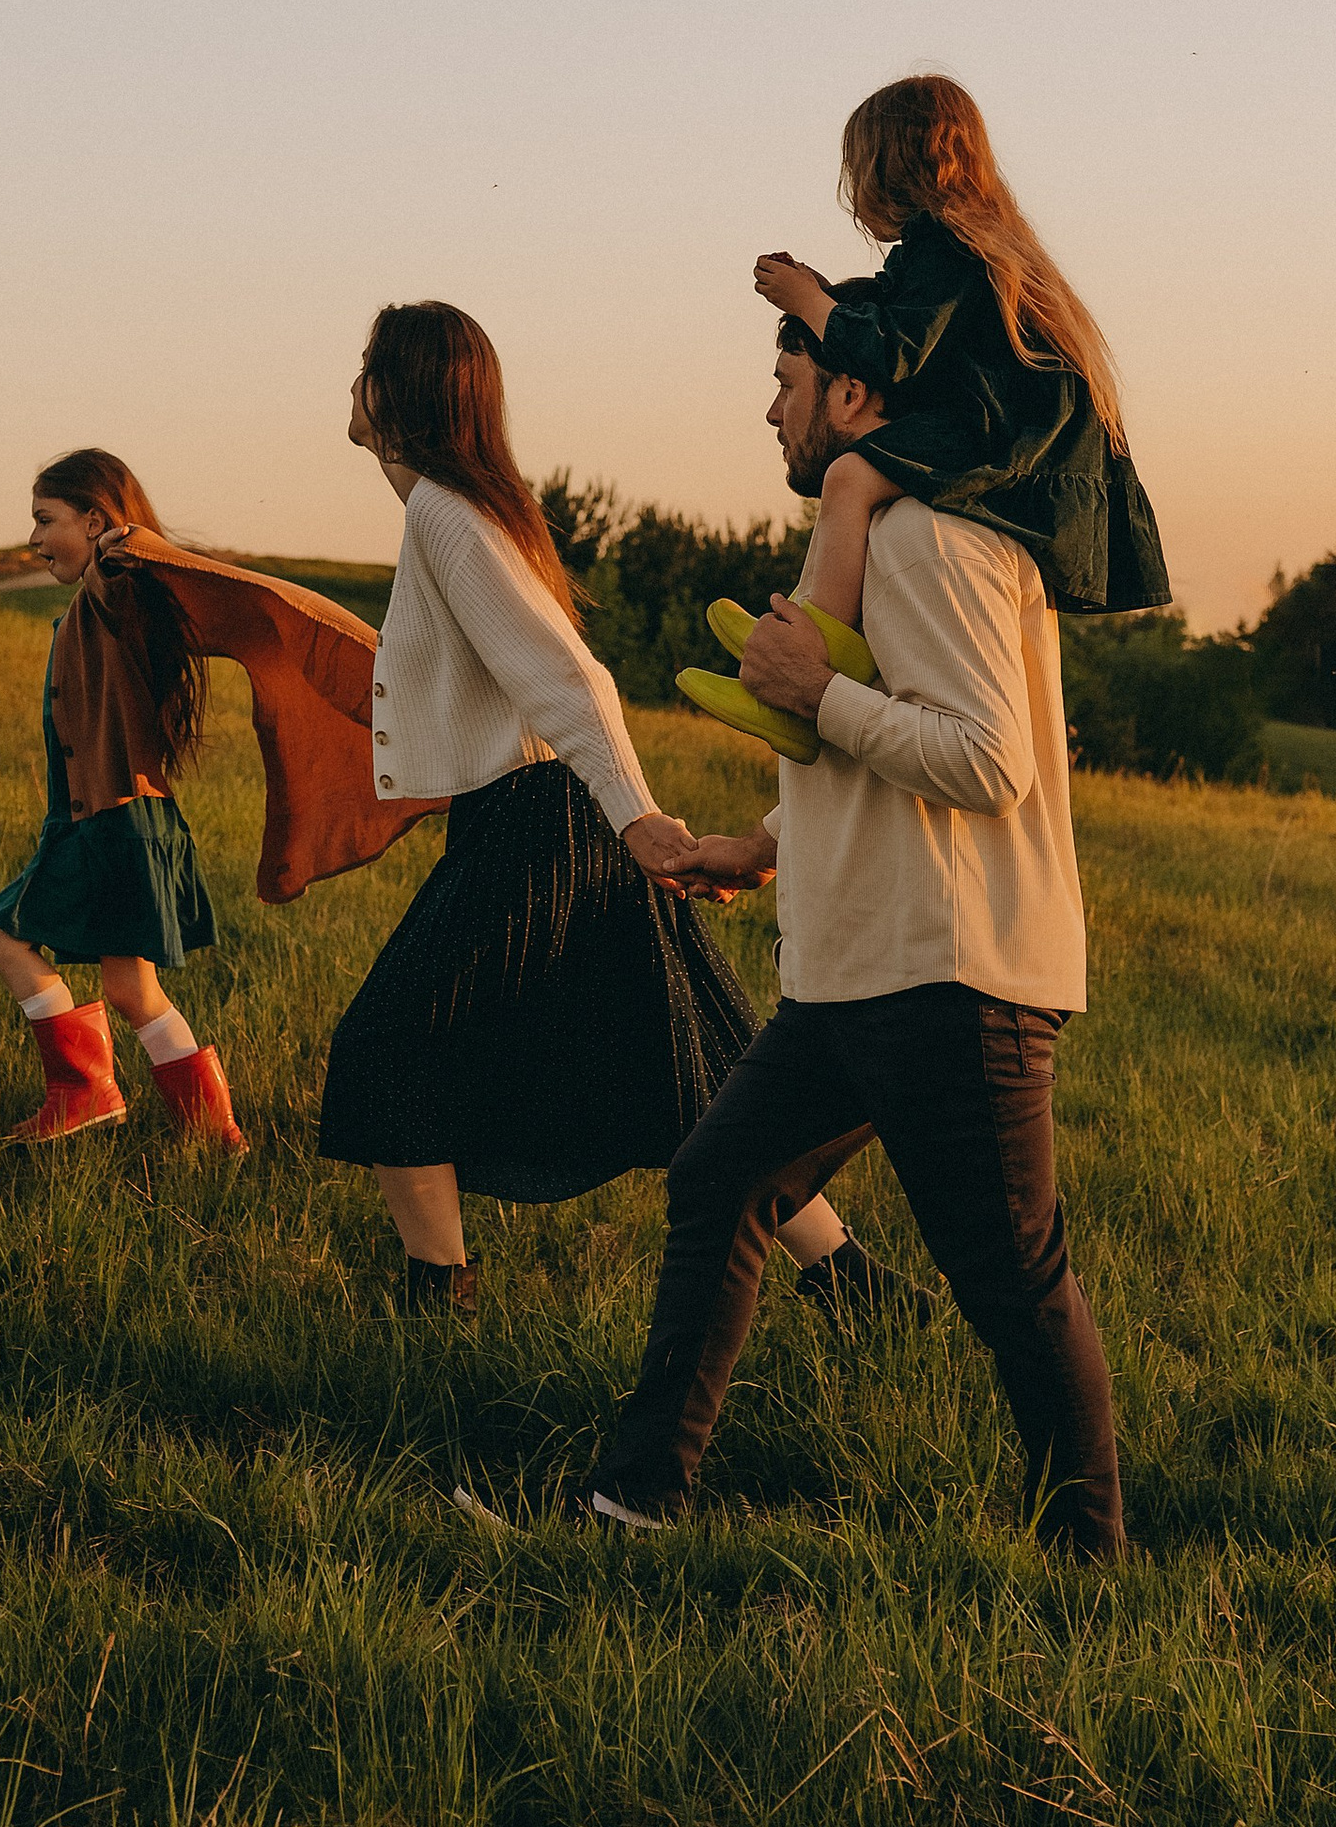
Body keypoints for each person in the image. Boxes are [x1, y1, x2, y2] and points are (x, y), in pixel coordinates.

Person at [582, 319, 1128, 1562]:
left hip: (949, 975)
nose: (770, 413)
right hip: (859, 974)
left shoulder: (933, 539)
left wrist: (811, 689)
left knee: (1011, 1281)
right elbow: (882, 752)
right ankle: (632, 1505)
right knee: (719, 1183)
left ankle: (1089, 1563)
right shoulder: (883, 535)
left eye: (784, 385)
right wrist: (755, 844)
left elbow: (985, 759)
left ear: (855, 391)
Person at [316, 301, 919, 1324]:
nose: (351, 384)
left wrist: (635, 817)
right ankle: (859, 1289)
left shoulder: (446, 518)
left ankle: (435, 1310)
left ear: (404, 389)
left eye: (367, 367)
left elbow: (572, 679)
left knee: (388, 1043)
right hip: (555, 817)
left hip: (538, 820)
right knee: (685, 1058)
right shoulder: (454, 504)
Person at [677, 71, 1170, 762]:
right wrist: (820, 289)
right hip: (1012, 429)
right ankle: (799, 635)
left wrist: (806, 305)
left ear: (888, 166)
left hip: (1002, 435)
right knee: (853, 478)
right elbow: (889, 310)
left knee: (849, 475)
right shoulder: (963, 246)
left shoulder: (948, 245)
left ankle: (807, 644)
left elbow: (896, 352)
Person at [0, 446, 426, 1149]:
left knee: (3, 939)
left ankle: (83, 1090)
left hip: (109, 825)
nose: (33, 538)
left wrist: (124, 549)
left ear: (96, 518)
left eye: (46, 519)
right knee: (131, 991)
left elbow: (122, 569)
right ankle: (216, 1136)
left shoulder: (113, 581)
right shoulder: (102, 597)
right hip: (127, 821)